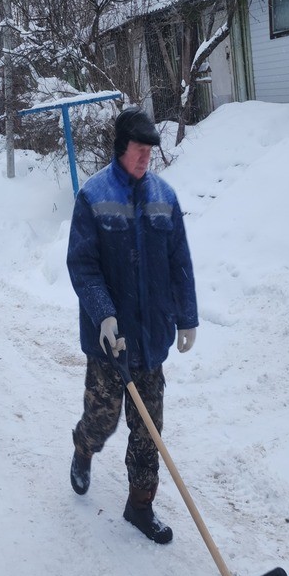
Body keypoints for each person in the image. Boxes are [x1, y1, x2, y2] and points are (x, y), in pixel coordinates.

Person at [66, 106, 198, 545]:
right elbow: (83, 266)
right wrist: (103, 313)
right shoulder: (93, 196)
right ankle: (83, 447)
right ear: (121, 148)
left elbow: (180, 262)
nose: (146, 158)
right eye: (139, 150)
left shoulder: (165, 197)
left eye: (150, 151)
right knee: (103, 418)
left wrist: (187, 317)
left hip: (149, 340)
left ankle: (140, 506)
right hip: (109, 342)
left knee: (148, 431)